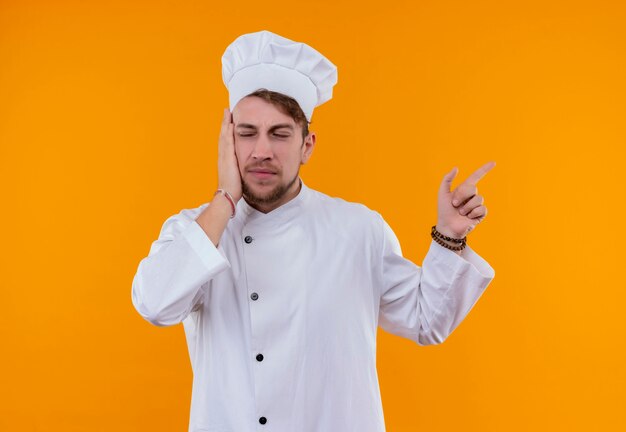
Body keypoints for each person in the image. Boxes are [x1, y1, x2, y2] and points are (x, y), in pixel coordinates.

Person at [131, 30, 496, 432]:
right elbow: (154, 303)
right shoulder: (199, 230)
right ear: (227, 141)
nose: (262, 152)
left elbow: (427, 321)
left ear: (308, 145)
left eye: (280, 134)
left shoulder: (359, 229)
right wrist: (224, 200)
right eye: (247, 133)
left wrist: (449, 236)